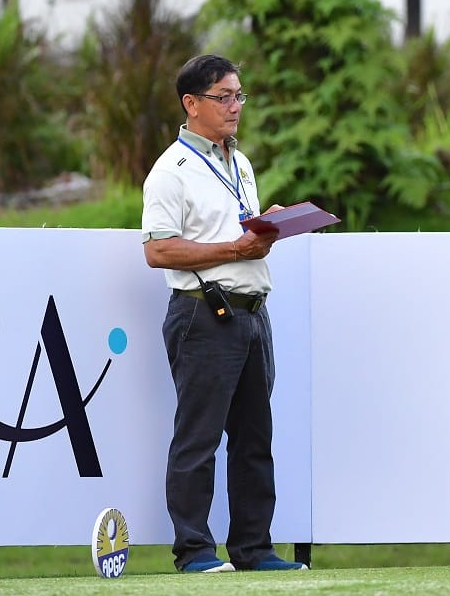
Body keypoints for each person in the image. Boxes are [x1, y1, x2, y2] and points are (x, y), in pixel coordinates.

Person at [141, 54, 307, 574]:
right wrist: (237, 250)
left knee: (256, 439)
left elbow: (235, 232)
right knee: (200, 437)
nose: (235, 106)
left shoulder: (240, 161)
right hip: (203, 313)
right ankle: (194, 552)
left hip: (253, 312)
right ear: (191, 104)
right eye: (224, 97)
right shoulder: (171, 170)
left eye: (239, 95)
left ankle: (253, 550)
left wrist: (265, 228)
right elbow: (159, 251)